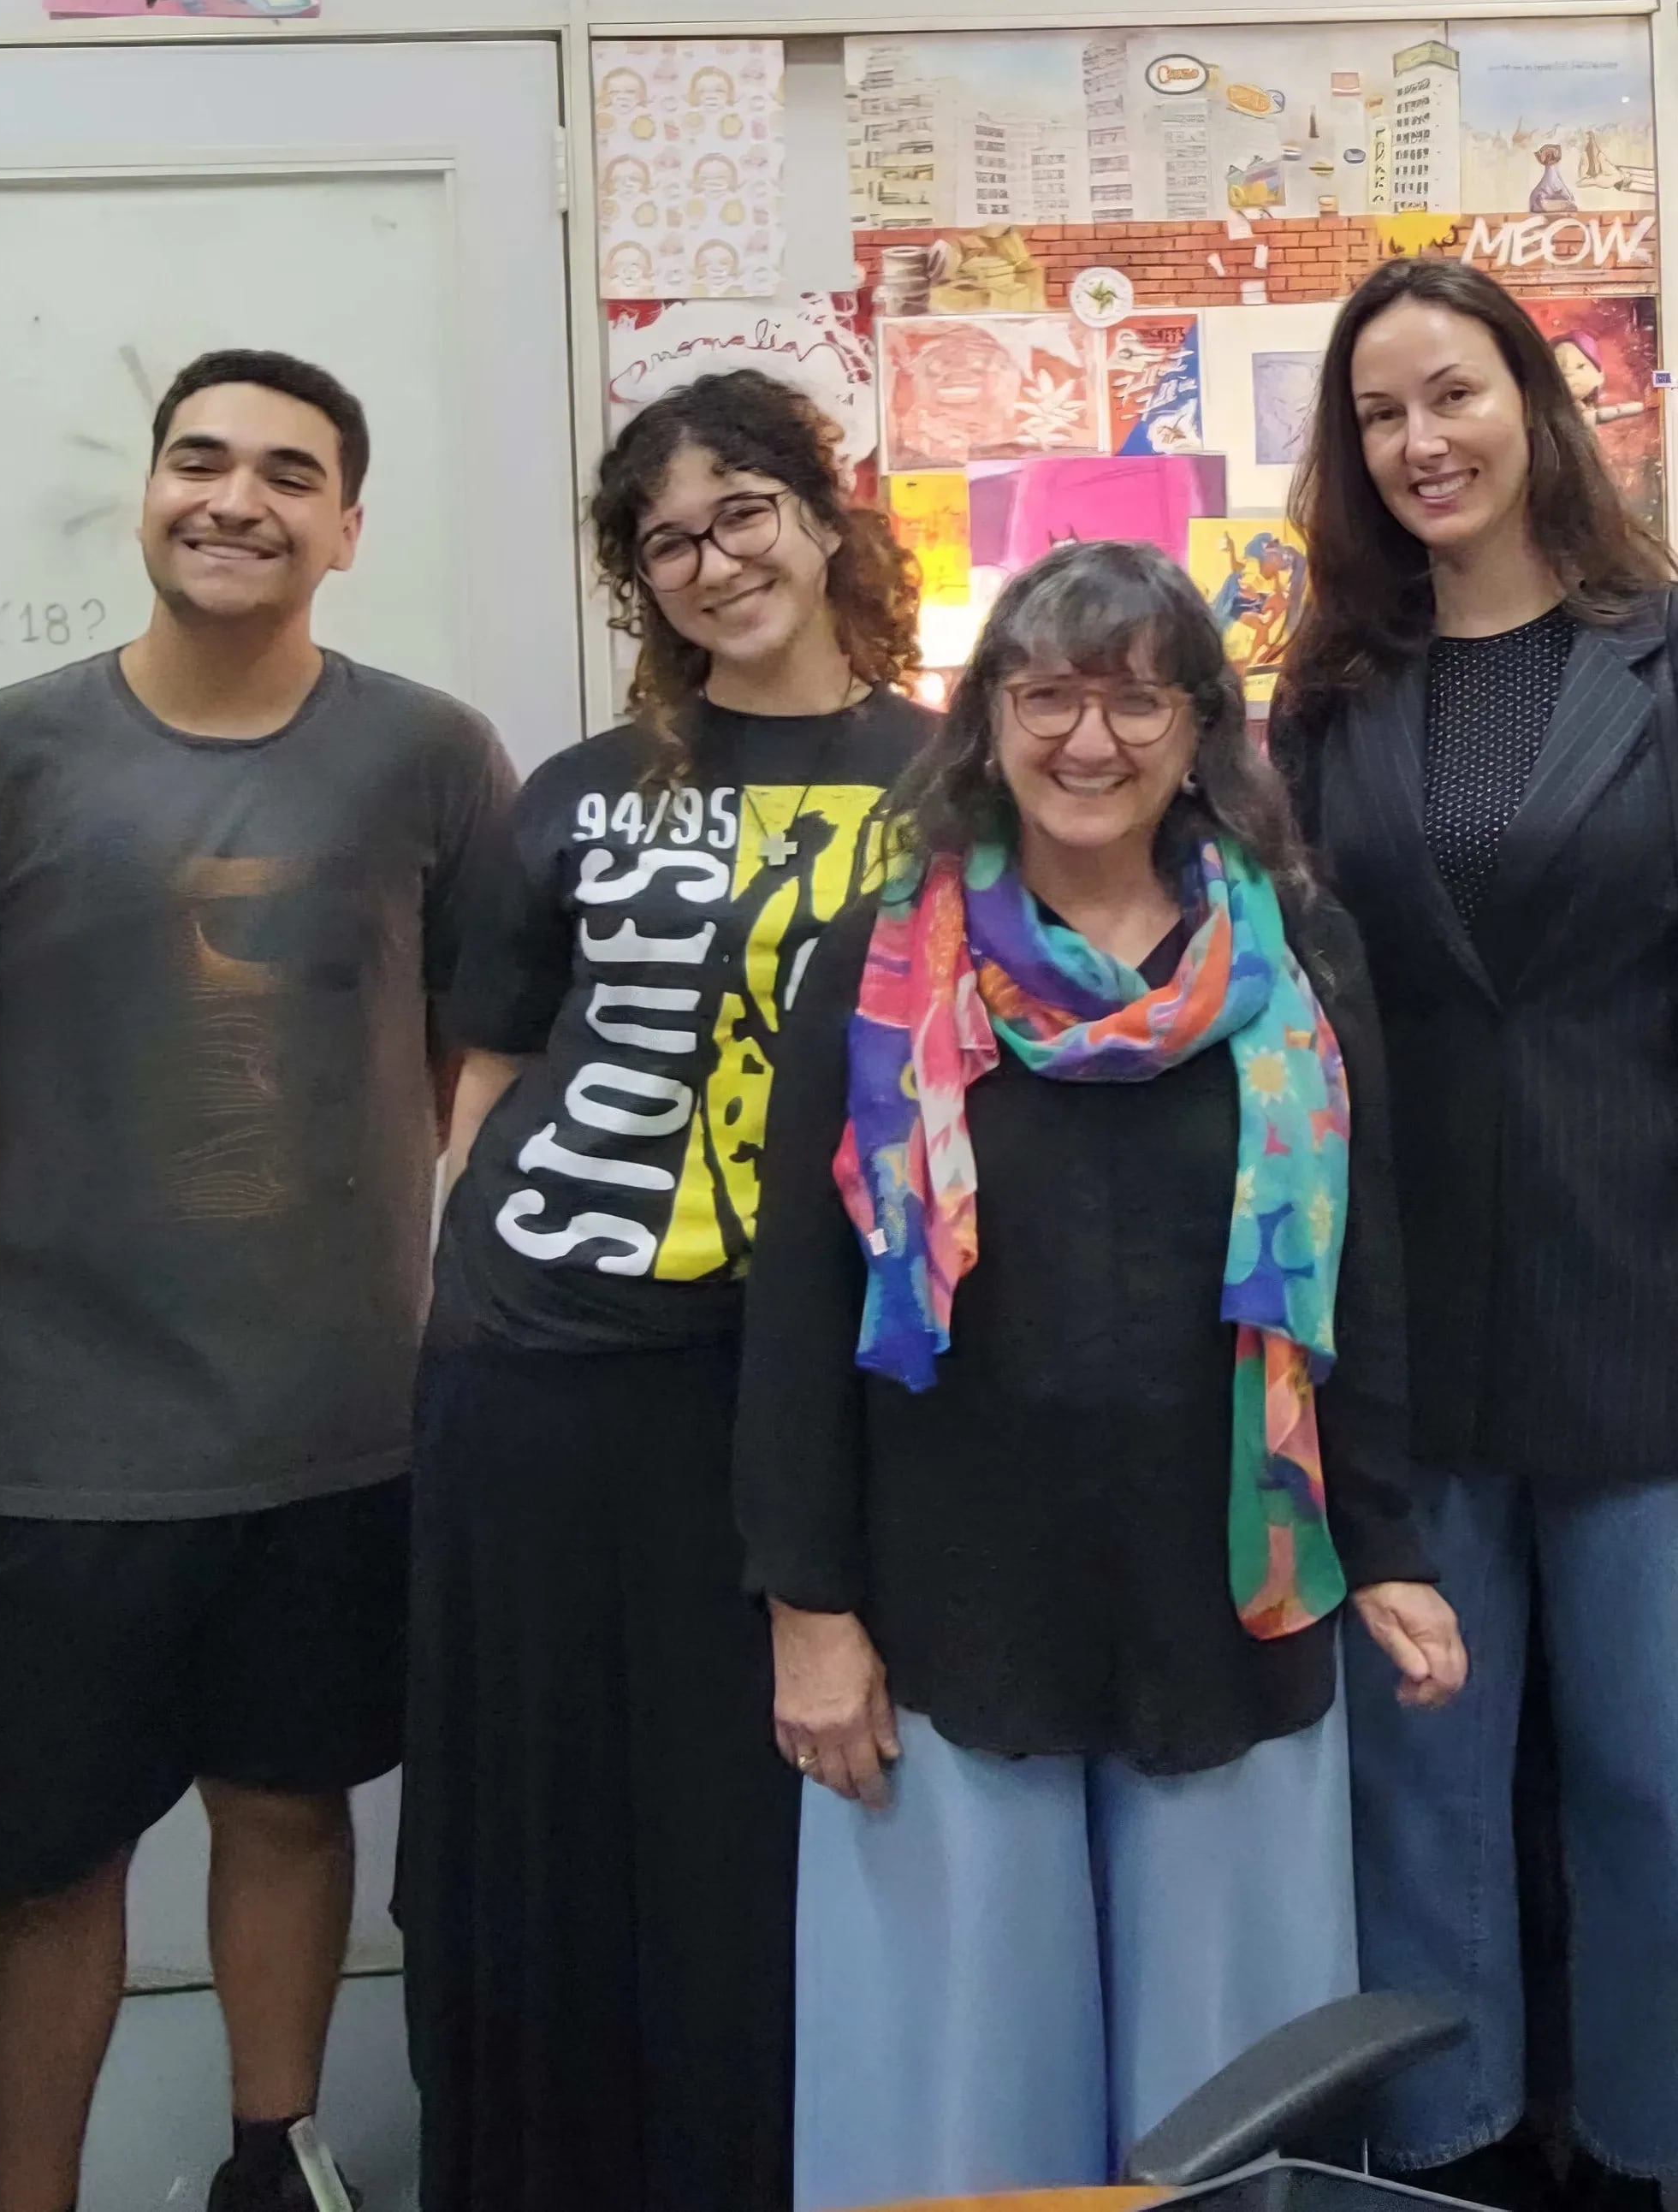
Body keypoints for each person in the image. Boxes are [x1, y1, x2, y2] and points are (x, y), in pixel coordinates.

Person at [0, 347, 512, 2212]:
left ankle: (266, 2156)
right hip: (57, 1440)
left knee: (292, 1802)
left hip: (335, 1420)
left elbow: (477, 1036)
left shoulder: (428, 754)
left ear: (345, 526)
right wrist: (66, 1185)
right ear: (143, 492)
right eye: (198, 460)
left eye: (287, 472)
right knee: (42, 1865)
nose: (235, 498)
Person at [736, 539, 1466, 2209]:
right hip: (944, 1605)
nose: (1089, 735)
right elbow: (795, 1303)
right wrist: (806, 1605)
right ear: (982, 716)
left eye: (1136, 692)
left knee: (1229, 2108)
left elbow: (1356, 1271)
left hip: (1228, 1590)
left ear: (1200, 721)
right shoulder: (877, 967)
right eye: (1048, 690)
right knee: (951, 2099)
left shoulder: (1294, 957)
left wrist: (1387, 1543)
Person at [401, 369, 932, 2212]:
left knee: (765, 1840)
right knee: (539, 1833)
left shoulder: (946, 782)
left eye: (741, 513)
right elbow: (477, 1079)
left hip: (808, 1393)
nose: (710, 562)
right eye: (666, 541)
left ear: (822, 512)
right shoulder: (577, 794)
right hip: (538, 1375)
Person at [1274, 258, 1678, 2212]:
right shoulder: (1329, 693)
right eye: (1375, 416)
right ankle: (1436, 2156)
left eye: (1449, 394)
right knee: (1418, 1786)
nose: (1417, 442)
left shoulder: (1662, 654)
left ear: (1532, 400)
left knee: (1656, 1779)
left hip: (1642, 1307)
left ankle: (1639, 2138)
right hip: (1401, 1325)